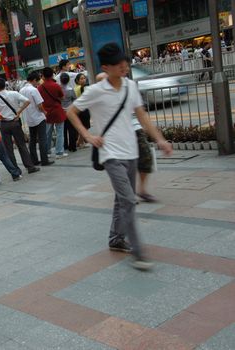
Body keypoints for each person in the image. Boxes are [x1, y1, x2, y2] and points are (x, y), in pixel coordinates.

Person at [67, 43, 173, 270]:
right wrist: (87, 135)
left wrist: (160, 139)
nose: (124, 66)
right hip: (110, 153)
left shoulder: (130, 86)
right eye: (118, 64)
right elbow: (71, 112)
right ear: (106, 67)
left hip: (131, 151)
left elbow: (143, 118)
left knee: (121, 197)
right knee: (128, 200)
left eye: (125, 62)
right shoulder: (95, 90)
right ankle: (138, 252)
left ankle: (116, 239)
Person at [0, 78, 40, 174]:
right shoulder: (13, 93)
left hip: (4, 125)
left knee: (9, 148)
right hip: (15, 122)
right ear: (5, 84)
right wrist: (19, 112)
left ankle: (15, 169)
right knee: (22, 145)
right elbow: (27, 101)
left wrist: (0, 117)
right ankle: (30, 167)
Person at [19, 72, 54, 166]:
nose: (38, 83)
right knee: (43, 139)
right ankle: (44, 160)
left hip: (29, 118)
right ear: (34, 80)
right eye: (37, 81)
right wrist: (44, 112)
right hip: (38, 117)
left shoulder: (21, 90)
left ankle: (34, 160)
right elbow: (39, 105)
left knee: (32, 140)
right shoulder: (33, 90)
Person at [38, 67, 68, 159]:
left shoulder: (40, 88)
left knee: (47, 133)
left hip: (46, 112)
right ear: (52, 75)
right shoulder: (56, 85)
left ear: (42, 76)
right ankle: (59, 152)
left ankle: (47, 152)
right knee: (60, 132)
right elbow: (62, 98)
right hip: (57, 111)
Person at [60, 73, 78, 153]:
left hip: (61, 111)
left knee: (63, 130)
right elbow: (75, 99)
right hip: (70, 111)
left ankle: (65, 145)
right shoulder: (71, 89)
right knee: (72, 129)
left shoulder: (59, 89)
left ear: (60, 80)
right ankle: (72, 146)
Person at [74, 73, 91, 149]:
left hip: (78, 109)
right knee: (85, 126)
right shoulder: (82, 88)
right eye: (81, 78)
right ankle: (79, 142)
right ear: (77, 80)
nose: (83, 80)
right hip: (83, 109)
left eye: (84, 78)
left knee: (83, 126)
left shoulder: (75, 88)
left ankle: (82, 141)